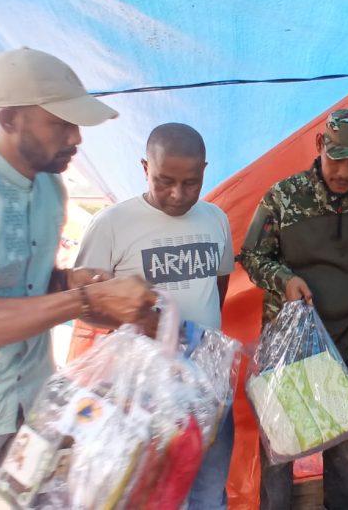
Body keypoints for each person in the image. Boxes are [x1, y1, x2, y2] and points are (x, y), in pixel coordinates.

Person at [0, 48, 156, 509]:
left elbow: (26, 284)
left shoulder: (51, 188)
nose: (76, 137)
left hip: (35, 397)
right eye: (60, 123)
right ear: (9, 118)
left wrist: (72, 282)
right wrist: (86, 299)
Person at [238, 108, 348, 510]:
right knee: (281, 444)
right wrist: (285, 280)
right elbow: (252, 256)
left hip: (347, 341)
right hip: (289, 345)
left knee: (344, 444)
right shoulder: (284, 197)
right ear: (320, 145)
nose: (344, 172)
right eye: (336, 158)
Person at [73, 122, 235, 510]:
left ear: (204, 171)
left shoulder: (215, 219)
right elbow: (82, 304)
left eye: (191, 183)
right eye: (164, 181)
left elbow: (219, 284)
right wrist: (138, 322)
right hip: (143, 383)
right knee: (151, 491)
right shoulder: (112, 224)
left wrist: (201, 338)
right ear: (145, 167)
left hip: (207, 377)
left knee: (210, 485)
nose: (178, 194)